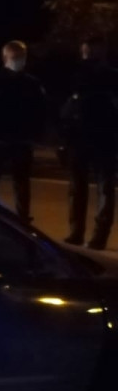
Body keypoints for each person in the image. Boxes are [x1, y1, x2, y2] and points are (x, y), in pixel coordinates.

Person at [0, 40, 45, 223]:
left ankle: (22, 221)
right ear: (5, 58)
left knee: (22, 185)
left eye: (22, 57)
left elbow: (40, 111)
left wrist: (34, 135)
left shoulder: (32, 84)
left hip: (21, 142)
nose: (19, 61)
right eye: (15, 57)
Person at [61, 36, 118, 249]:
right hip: (85, 138)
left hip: (101, 138)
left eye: (88, 52)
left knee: (99, 187)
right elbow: (68, 107)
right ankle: (81, 233)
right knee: (84, 187)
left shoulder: (106, 77)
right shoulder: (79, 75)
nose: (86, 56)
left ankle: (93, 235)